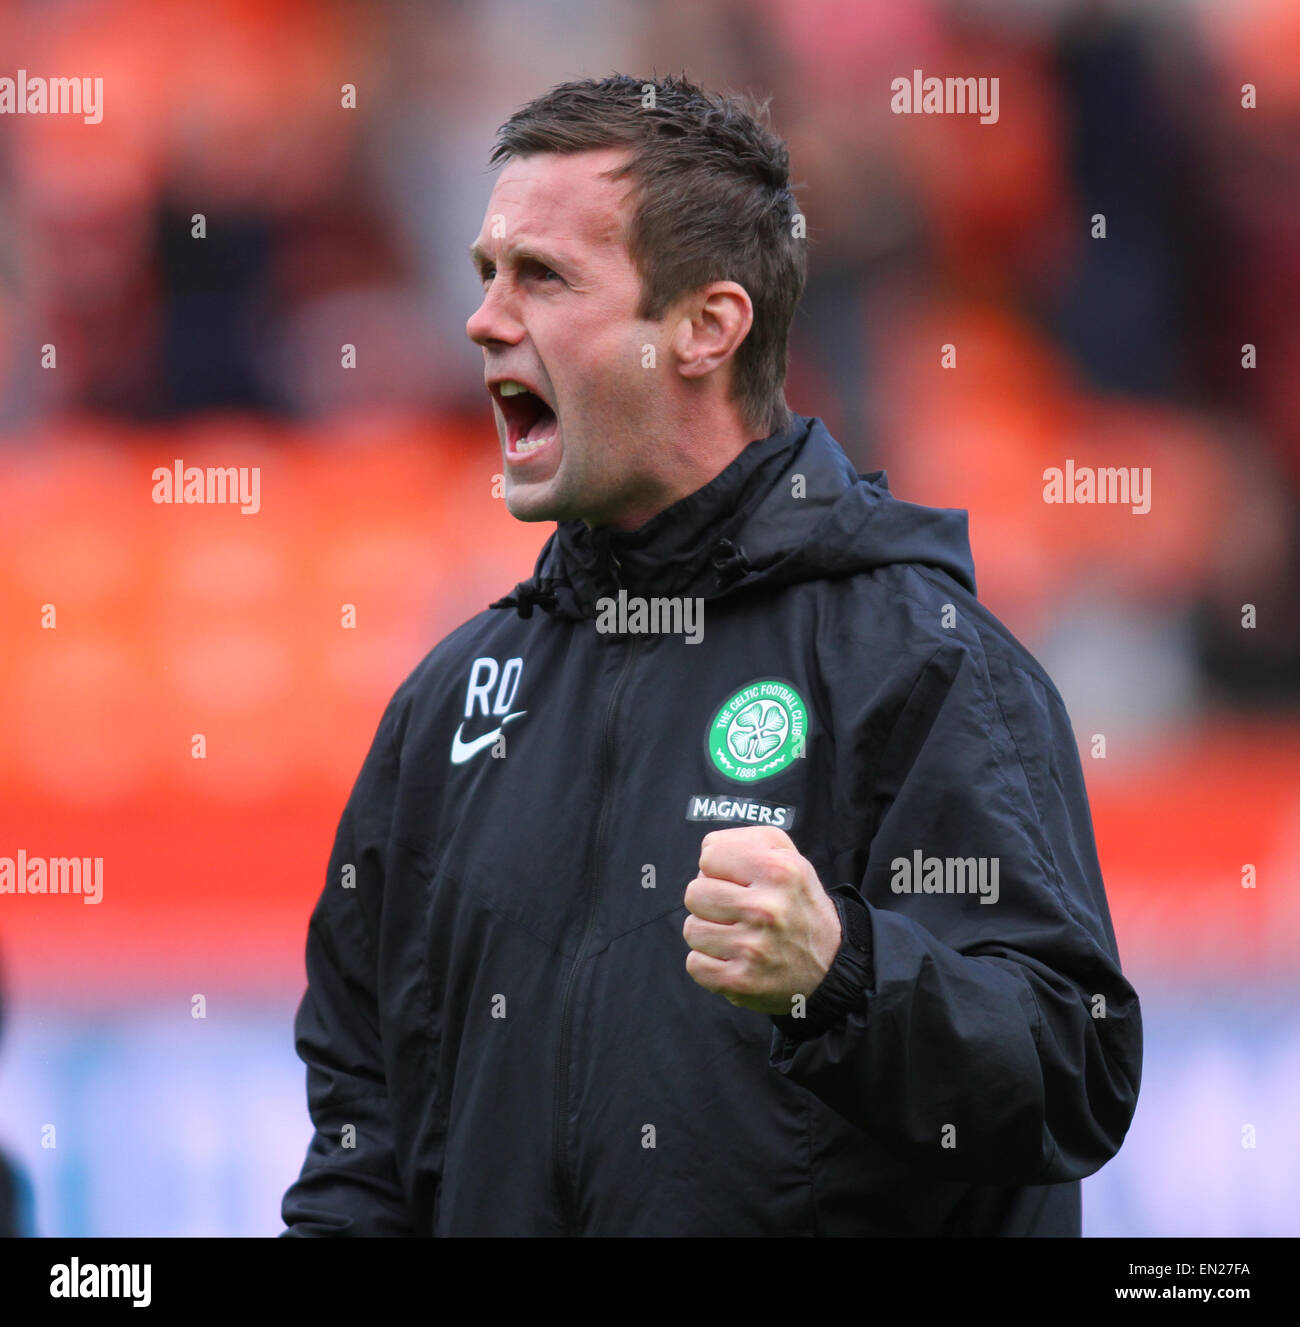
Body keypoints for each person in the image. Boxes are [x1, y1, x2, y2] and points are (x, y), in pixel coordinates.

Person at [280, 73, 1142, 1237]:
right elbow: (361, 1130)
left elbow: (1070, 1072)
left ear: (705, 325)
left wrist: (844, 975)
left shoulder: (921, 664)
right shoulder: (453, 703)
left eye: (542, 277)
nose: (484, 318)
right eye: (486, 273)